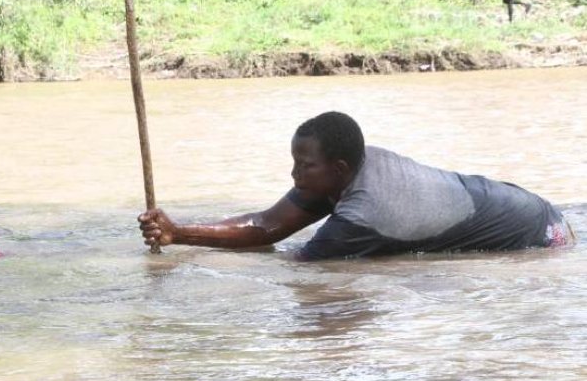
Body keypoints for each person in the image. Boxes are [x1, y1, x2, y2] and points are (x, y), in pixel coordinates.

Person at [138, 111, 575, 261]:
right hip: (521, 205)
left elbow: (297, 265)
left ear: (340, 168)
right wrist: (178, 233)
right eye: (295, 163)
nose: (294, 176)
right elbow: (266, 226)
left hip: (540, 233)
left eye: (304, 166)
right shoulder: (346, 172)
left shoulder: (363, 214)